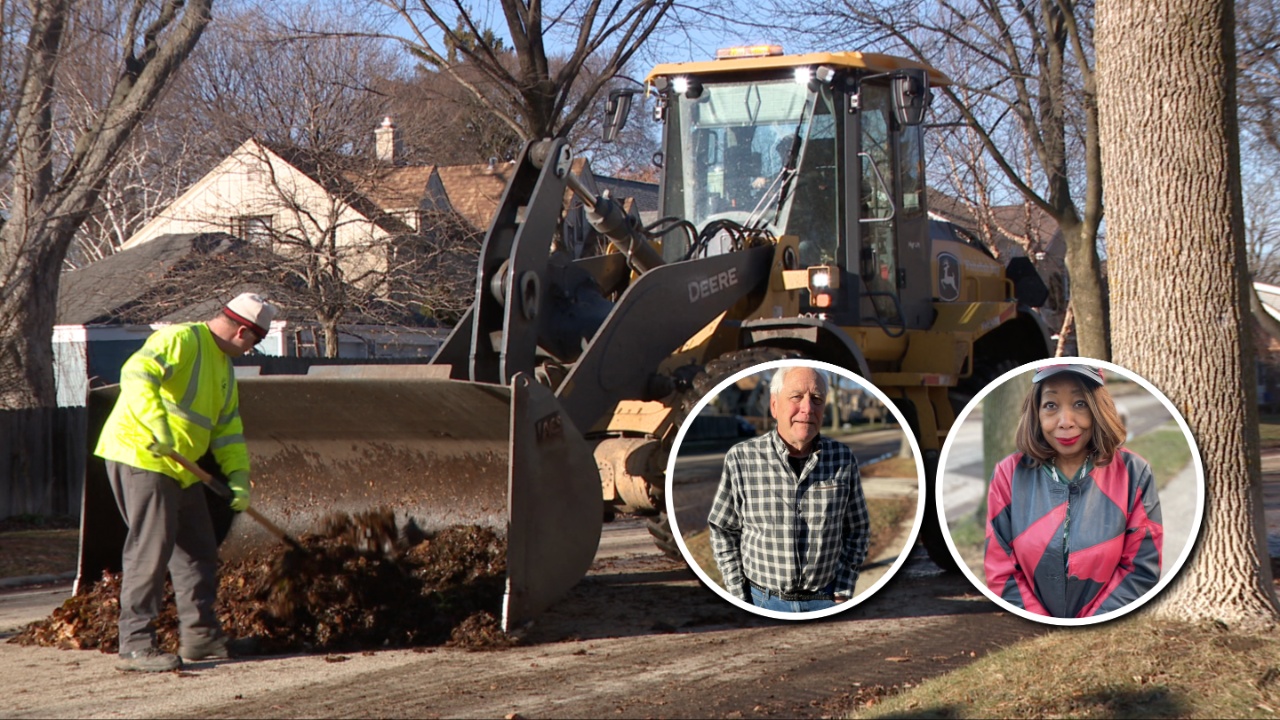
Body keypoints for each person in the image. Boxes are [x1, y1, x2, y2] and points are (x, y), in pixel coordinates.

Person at [94, 292, 278, 671]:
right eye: (255, 343)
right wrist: (157, 425)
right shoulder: (180, 339)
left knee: (198, 549)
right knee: (151, 549)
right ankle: (135, 645)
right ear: (243, 332)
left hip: (183, 467)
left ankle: (201, 637)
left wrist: (239, 475)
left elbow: (227, 428)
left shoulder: (223, 368)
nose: (251, 350)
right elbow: (137, 373)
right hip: (143, 455)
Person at [985, 364, 1163, 619]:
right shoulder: (1009, 473)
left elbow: (1141, 571)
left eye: (1080, 404)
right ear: (1036, 412)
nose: (1066, 422)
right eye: (1051, 405)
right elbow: (1000, 569)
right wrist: (1043, 626)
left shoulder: (1134, 473)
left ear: (1098, 408)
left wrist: (1088, 628)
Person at [707, 364, 870, 612]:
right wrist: (739, 597)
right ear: (774, 406)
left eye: (816, 399)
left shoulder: (842, 458)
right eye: (796, 397)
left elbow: (857, 529)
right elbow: (723, 530)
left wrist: (843, 589)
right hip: (762, 601)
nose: (808, 408)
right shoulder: (742, 458)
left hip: (825, 600)